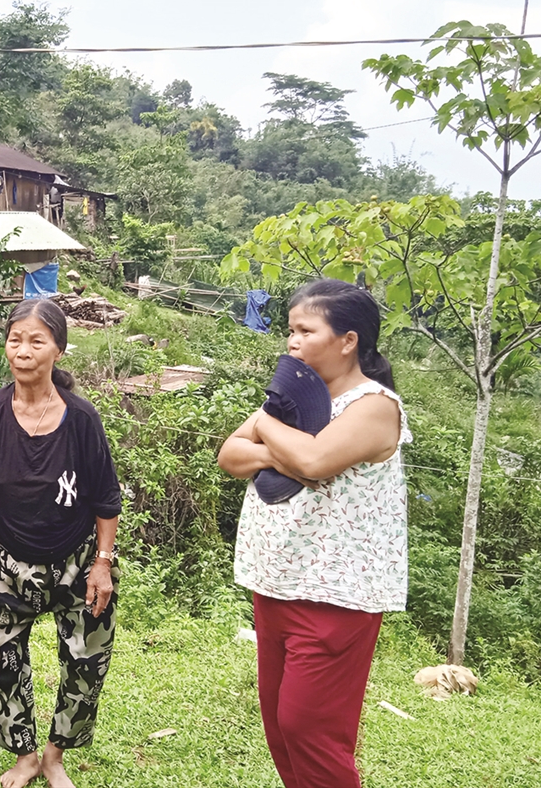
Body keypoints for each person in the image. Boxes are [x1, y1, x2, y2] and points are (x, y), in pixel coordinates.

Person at [217, 278, 410, 788]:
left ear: (348, 340)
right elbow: (229, 456)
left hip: (336, 594)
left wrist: (266, 423)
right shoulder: (294, 399)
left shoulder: (373, 405)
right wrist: (276, 445)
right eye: (290, 331)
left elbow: (314, 460)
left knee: (312, 728)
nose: (292, 342)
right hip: (277, 582)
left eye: (306, 330)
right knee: (281, 726)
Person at [0, 299, 122, 788]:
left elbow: (106, 499)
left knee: (86, 663)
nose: (23, 351)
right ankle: (22, 755)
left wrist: (102, 564)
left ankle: (55, 755)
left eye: (36, 341)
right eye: (15, 340)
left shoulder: (81, 418)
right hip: (6, 559)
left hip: (78, 558)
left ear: (58, 350)